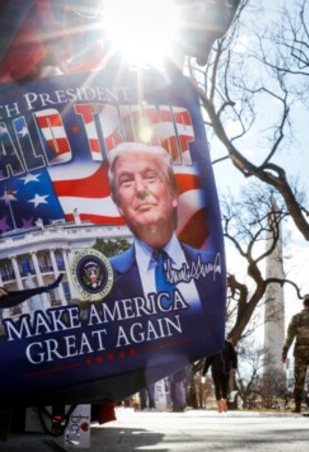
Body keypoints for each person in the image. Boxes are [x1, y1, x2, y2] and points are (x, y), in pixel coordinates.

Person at [106, 142, 216, 312]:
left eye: (150, 177)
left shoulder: (213, 265)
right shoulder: (106, 279)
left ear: (173, 193)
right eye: (127, 182)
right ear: (118, 204)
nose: (140, 189)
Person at [203, 338, 239, 413]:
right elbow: (208, 360)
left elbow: (234, 356)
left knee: (224, 387)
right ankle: (219, 405)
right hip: (215, 369)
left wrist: (234, 367)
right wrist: (204, 372)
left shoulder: (228, 345)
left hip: (225, 370)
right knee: (217, 386)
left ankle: (224, 403)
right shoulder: (213, 346)